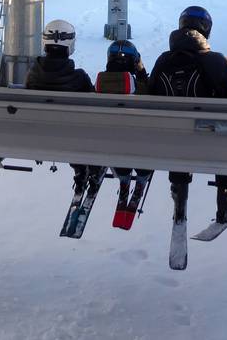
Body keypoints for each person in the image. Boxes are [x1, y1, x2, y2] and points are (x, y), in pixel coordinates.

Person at [149, 6, 227, 222]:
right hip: (212, 142)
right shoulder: (217, 61)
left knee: (179, 136)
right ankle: (226, 200)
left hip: (173, 142)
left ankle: (179, 200)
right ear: (206, 29)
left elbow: (151, 93)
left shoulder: (163, 61)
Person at [25, 20, 96, 193]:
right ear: (70, 45)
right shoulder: (79, 78)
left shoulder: (33, 76)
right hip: (72, 141)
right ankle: (83, 169)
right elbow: (95, 108)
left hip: (37, 137)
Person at [96, 40, 153, 224]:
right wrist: (141, 72)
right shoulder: (141, 88)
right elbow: (153, 93)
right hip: (141, 148)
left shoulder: (98, 86)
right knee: (144, 140)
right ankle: (141, 179)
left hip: (111, 147)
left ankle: (123, 177)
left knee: (116, 139)